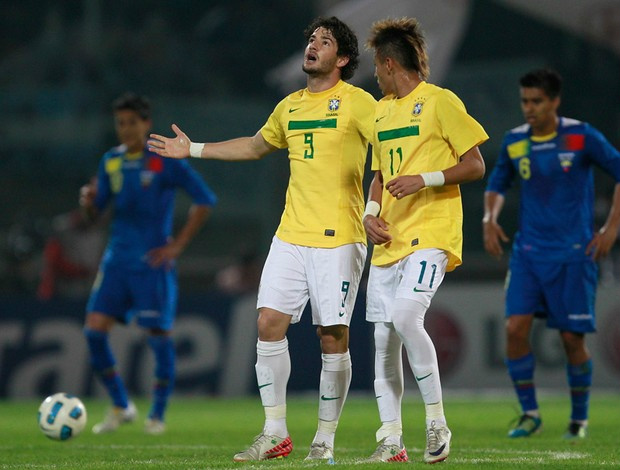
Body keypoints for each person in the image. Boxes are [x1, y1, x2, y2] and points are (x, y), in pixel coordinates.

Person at [149, 16, 376, 463]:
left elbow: (388, 156)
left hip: (340, 237)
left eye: (324, 42)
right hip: (291, 234)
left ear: (343, 58)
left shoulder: (359, 103)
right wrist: (193, 150)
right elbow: (255, 146)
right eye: (311, 39)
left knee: (332, 336)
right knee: (268, 323)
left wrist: (375, 210)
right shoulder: (289, 105)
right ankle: (275, 432)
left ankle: (324, 441)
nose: (312, 46)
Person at [362, 18, 487, 464]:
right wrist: (369, 214)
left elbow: (474, 164)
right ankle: (391, 439)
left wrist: (424, 179)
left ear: (390, 63)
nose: (374, 76)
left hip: (431, 231)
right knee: (382, 341)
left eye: (376, 67)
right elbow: (378, 176)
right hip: (388, 240)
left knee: (405, 315)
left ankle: (436, 421)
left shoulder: (439, 102)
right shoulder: (381, 111)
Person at [483, 68, 620, 440]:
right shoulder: (515, 142)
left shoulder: (581, 136)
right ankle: (530, 414)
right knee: (514, 329)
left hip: (574, 255)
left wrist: (611, 228)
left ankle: (578, 420)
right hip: (528, 254)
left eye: (537, 101)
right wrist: (489, 217)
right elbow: (496, 183)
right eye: (525, 101)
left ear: (555, 102)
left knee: (572, 341)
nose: (529, 108)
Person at [80, 92, 217, 435]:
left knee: (158, 336)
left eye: (131, 122)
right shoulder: (110, 161)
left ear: (146, 123)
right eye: (120, 123)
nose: (125, 129)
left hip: (152, 264)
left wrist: (178, 245)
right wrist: (88, 203)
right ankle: (120, 405)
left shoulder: (165, 160)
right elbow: (97, 214)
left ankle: (156, 414)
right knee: (93, 332)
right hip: (116, 262)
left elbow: (204, 200)